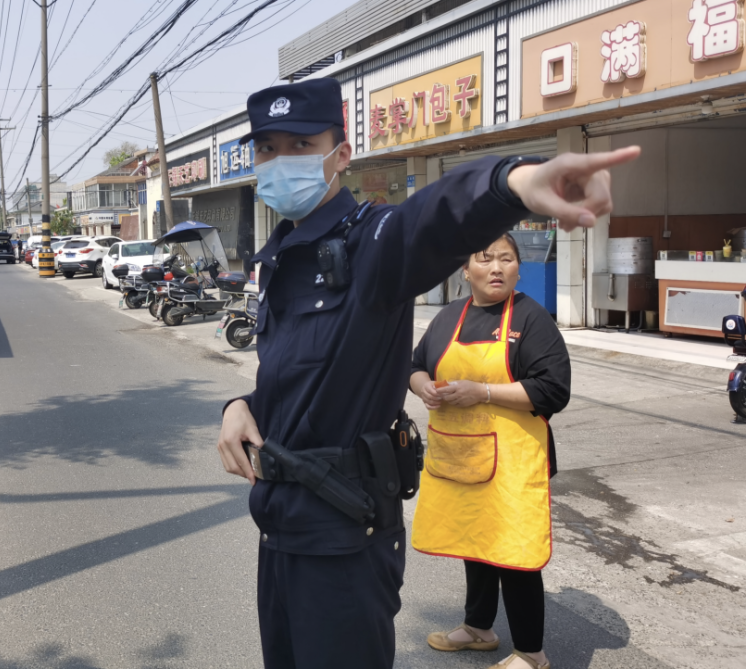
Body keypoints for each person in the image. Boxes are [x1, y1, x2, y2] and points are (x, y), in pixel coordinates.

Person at [215, 77, 638, 669]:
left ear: (341, 156)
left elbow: (430, 218)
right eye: (267, 148)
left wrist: (514, 182)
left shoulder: (370, 243)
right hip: (279, 529)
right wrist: (241, 405)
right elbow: (297, 380)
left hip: (342, 539)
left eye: (300, 145)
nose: (279, 161)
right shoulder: (282, 260)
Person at [409, 233, 570, 669]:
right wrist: (423, 386)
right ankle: (479, 628)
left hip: (515, 462)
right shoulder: (448, 318)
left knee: (516, 553)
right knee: (474, 543)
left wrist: (482, 391)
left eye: (507, 259)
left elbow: (553, 390)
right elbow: (415, 364)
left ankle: (531, 653)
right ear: (466, 270)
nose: (497, 267)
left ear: (518, 269)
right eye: (486, 259)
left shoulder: (532, 320)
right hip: (461, 456)